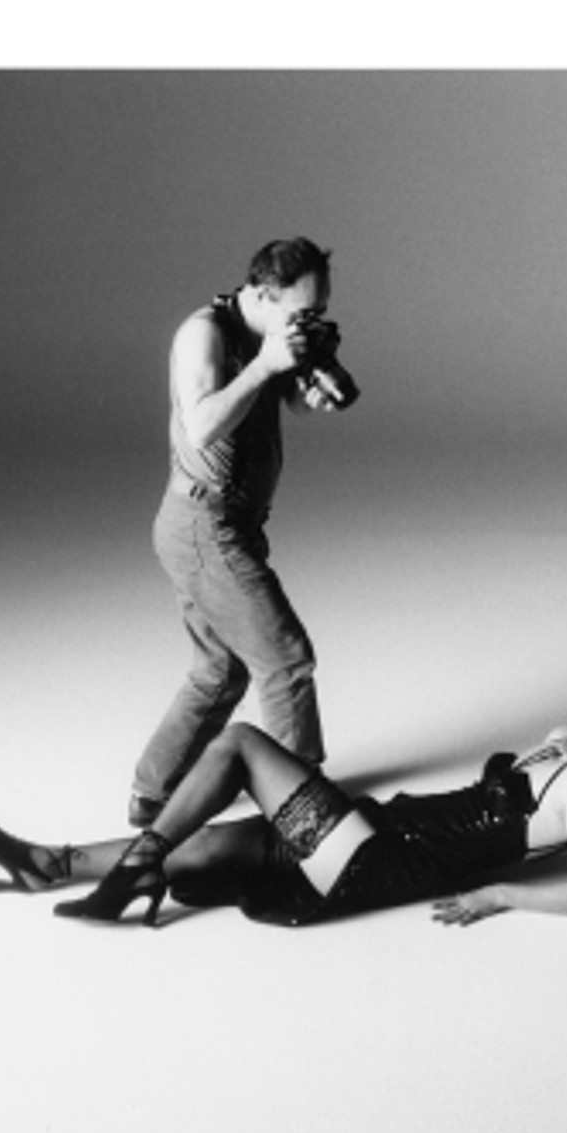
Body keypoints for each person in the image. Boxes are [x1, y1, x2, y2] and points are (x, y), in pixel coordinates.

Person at [0, 688, 567, 927]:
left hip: (378, 861)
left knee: (240, 744)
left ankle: (130, 875)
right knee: (210, 843)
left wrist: (498, 895)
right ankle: (45, 864)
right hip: (378, 828)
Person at [124, 237, 357, 831]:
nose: (308, 321)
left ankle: (154, 794)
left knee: (220, 670)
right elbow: (202, 426)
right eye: (301, 311)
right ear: (260, 293)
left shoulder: (272, 335)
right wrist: (266, 364)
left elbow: (290, 404)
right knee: (286, 660)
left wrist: (309, 378)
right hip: (205, 528)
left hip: (230, 526)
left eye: (319, 310)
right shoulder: (203, 335)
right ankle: (304, 814)